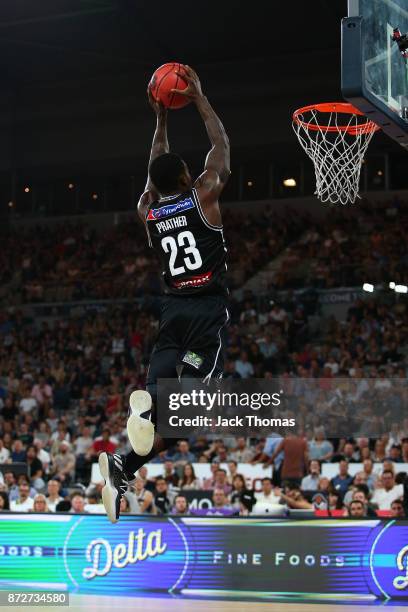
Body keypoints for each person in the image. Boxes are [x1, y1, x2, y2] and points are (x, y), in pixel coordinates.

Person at [98, 65, 231, 523]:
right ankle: (149, 417)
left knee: (164, 413)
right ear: (188, 175)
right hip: (206, 313)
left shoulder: (148, 211)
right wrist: (199, 99)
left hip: (171, 311)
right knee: (187, 416)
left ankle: (124, 462)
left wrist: (161, 120)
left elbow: (155, 170)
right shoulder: (204, 196)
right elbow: (222, 149)